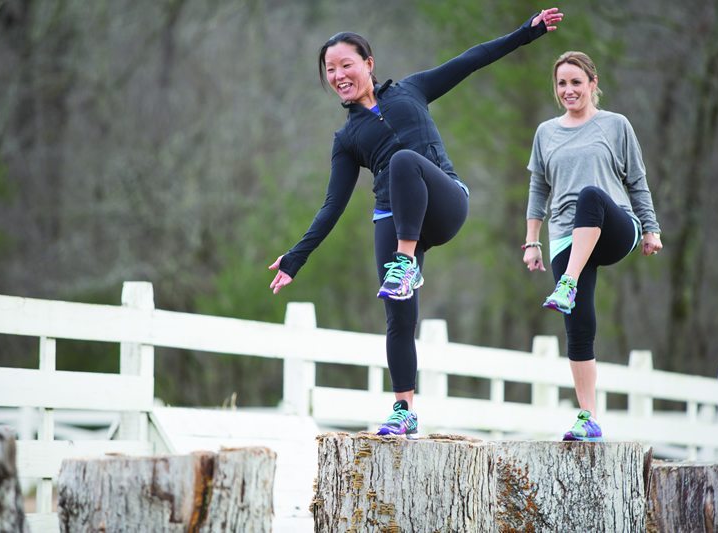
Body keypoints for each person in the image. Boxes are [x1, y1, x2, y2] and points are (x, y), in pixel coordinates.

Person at [269, 8, 564, 437]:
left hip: (444, 204)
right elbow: (332, 205)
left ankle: (405, 263)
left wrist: (527, 33)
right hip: (392, 215)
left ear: (368, 64)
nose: (338, 75)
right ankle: (403, 409)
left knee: (406, 160)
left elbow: (472, 59)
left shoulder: (411, 91)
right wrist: (295, 258)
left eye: (345, 64)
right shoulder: (346, 140)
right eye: (329, 70)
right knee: (398, 317)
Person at [523, 51, 663, 442]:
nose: (569, 90)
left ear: (592, 84)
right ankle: (588, 418)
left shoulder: (615, 125)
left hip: (616, 226)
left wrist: (651, 229)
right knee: (579, 329)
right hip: (566, 236)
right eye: (562, 84)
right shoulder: (545, 133)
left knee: (591, 196)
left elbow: (636, 180)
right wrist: (532, 241)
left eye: (576, 82)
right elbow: (538, 190)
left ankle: (566, 283)